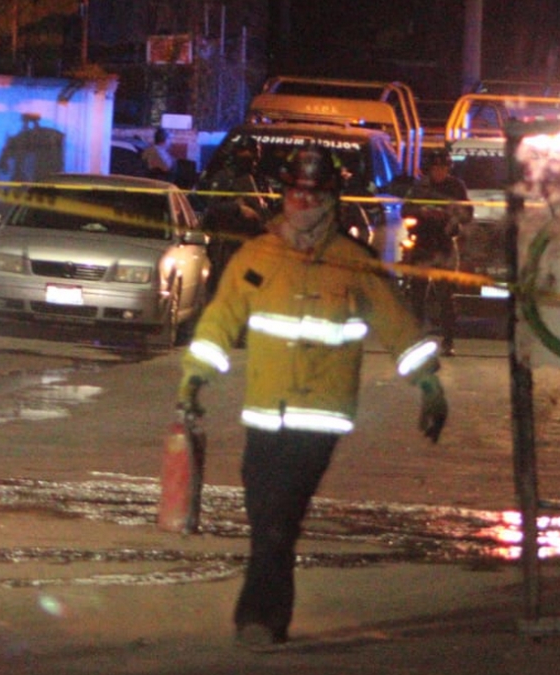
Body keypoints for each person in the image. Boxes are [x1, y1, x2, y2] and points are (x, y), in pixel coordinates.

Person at [178, 142, 448, 649]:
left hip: (320, 417)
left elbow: (397, 324)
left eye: (314, 194)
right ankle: (269, 618)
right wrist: (194, 379)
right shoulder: (257, 257)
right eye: (296, 193)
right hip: (265, 414)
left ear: (331, 199)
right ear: (284, 195)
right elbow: (220, 321)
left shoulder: (354, 263)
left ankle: (257, 619)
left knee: (280, 515)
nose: (303, 202)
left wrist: (428, 384)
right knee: (265, 515)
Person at [402, 148, 471, 356]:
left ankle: (448, 341)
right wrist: (421, 212)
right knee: (417, 294)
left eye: (443, 168)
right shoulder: (419, 187)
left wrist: (449, 215)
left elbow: (467, 213)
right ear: (429, 169)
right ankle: (416, 339)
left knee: (446, 297)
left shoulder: (456, 186)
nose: (440, 171)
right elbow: (405, 210)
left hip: (444, 244)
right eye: (436, 168)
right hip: (422, 243)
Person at [201, 134, 268, 294]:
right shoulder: (224, 178)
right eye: (246, 154)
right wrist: (237, 208)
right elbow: (212, 208)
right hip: (226, 245)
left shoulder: (257, 180)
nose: (250, 159)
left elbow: (263, 211)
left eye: (253, 155)